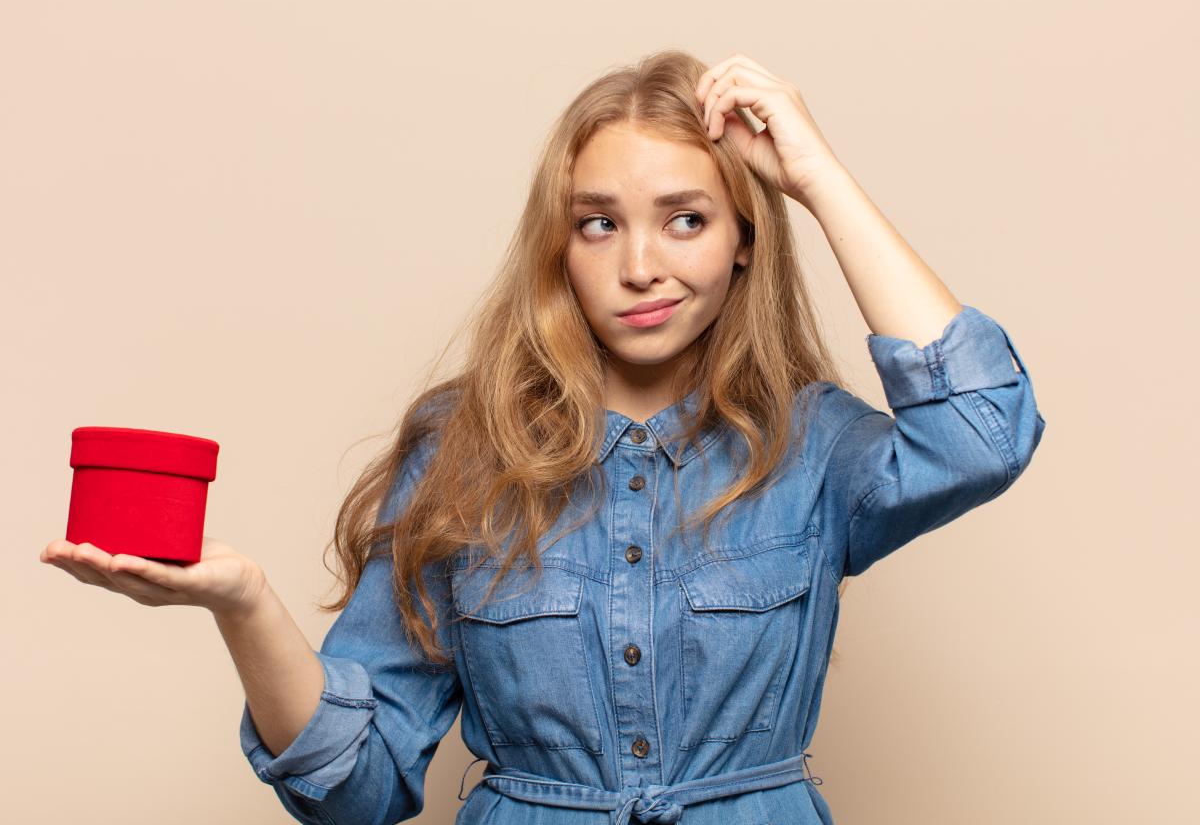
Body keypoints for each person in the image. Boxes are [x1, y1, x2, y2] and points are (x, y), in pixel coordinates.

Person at [39, 49, 1047, 825]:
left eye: (687, 220)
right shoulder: (462, 447)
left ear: (745, 241)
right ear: (558, 247)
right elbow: (356, 788)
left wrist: (817, 179)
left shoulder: (812, 443)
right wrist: (243, 604)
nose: (641, 265)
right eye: (599, 223)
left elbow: (983, 430)